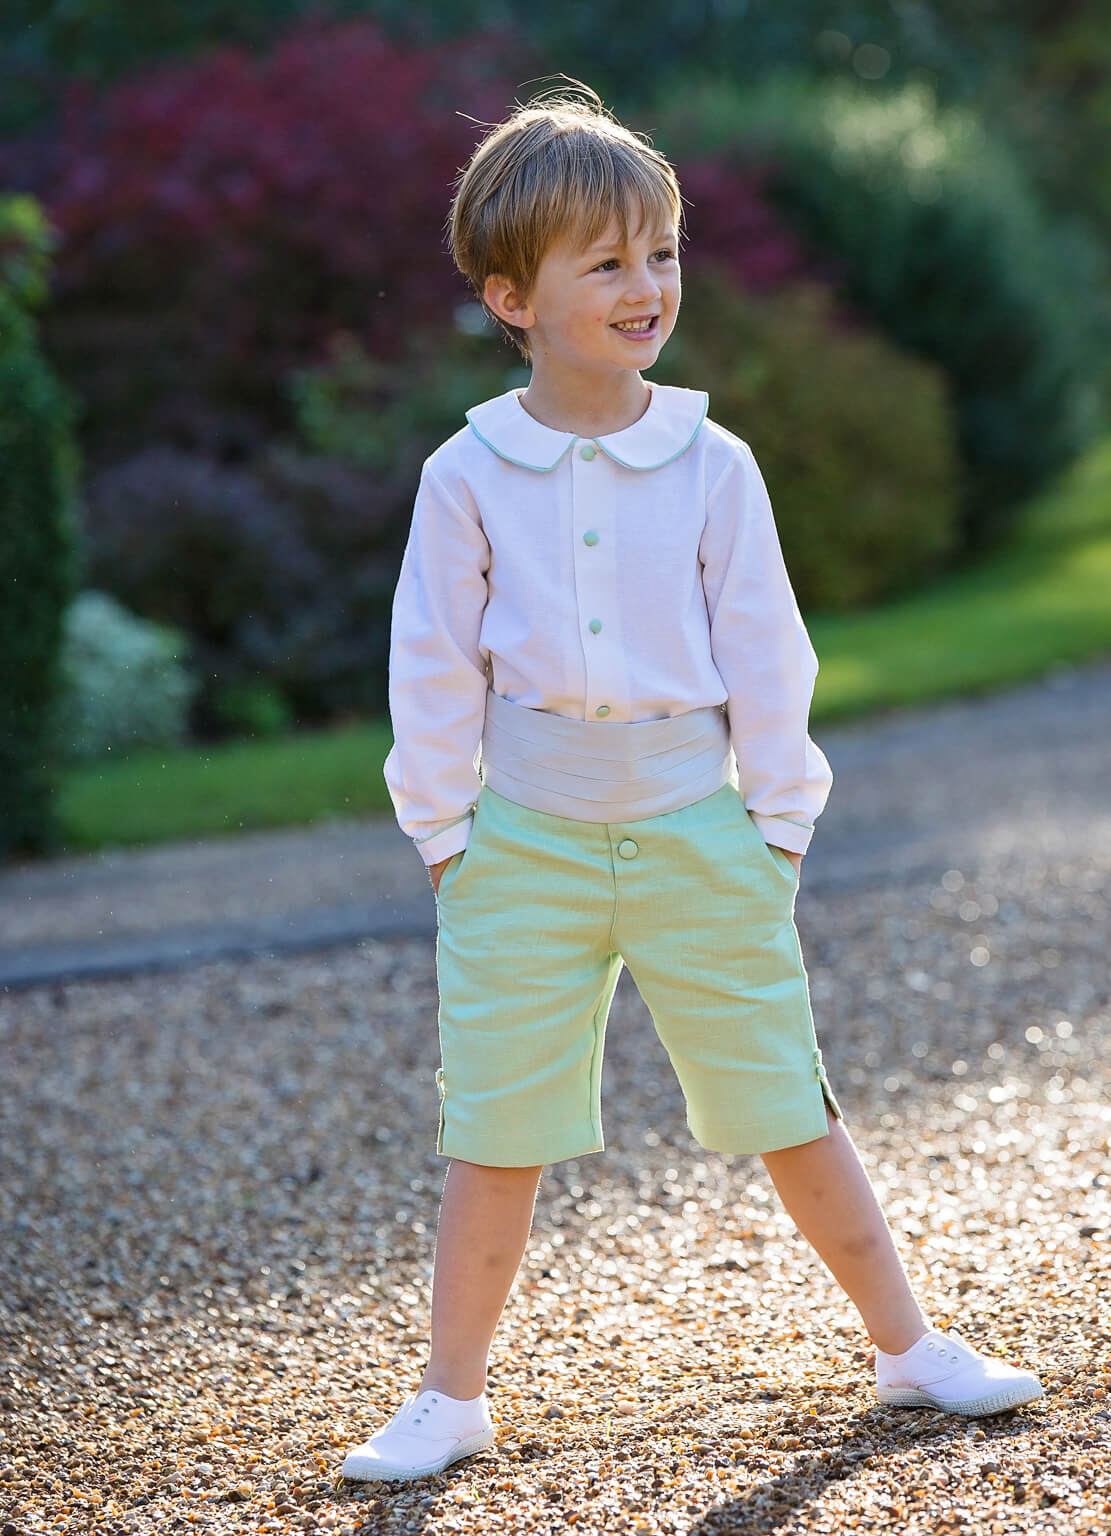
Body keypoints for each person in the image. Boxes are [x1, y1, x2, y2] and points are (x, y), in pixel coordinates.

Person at [340, 81, 1043, 1486]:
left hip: (700, 831)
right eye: (605, 262)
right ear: (508, 295)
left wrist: (776, 824)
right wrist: (445, 838)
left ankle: (909, 1345)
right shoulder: (467, 473)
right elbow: (430, 665)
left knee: (789, 1100)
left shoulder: (713, 464)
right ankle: (450, 1397)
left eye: (660, 253)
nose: (646, 284)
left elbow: (768, 651)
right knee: (496, 1125)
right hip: (520, 847)